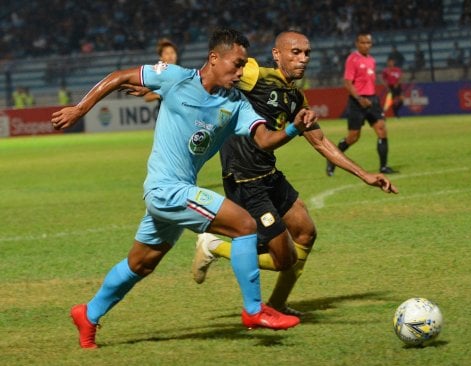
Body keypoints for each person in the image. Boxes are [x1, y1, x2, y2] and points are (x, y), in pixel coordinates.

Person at [51, 27, 309, 349]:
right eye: (237, 63)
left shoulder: (237, 104)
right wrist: (79, 109)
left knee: (141, 264)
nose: (241, 72)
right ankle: (255, 311)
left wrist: (294, 127)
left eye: (244, 65)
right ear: (214, 58)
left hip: (179, 190)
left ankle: (87, 314)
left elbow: (265, 140)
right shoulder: (175, 78)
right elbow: (118, 76)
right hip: (165, 189)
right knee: (245, 225)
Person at [190, 31, 398, 315]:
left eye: (307, 53)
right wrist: (165, 85)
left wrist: (366, 175)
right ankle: (213, 245)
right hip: (244, 178)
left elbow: (321, 142)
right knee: (282, 258)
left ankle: (277, 304)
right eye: (295, 52)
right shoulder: (254, 74)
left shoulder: (295, 96)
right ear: (277, 54)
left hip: (268, 172)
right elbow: (215, 68)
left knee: (306, 233)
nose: (303, 59)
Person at [327, 31, 397, 176]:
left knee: (382, 130)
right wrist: (359, 99)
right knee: (353, 137)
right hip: (357, 102)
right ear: (357, 44)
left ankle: (383, 167)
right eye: (363, 42)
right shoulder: (353, 59)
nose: (366, 45)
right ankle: (332, 160)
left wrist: (371, 98)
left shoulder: (371, 60)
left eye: (368, 43)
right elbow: (347, 83)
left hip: (372, 100)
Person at [143, 38, 179, 103]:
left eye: (172, 52)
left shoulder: (183, 74)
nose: (170, 56)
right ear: (161, 57)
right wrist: (161, 95)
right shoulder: (158, 75)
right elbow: (147, 97)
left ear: (176, 55)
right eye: (167, 53)